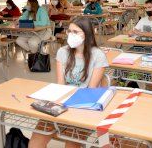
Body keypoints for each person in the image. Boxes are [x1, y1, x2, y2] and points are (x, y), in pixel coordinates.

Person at [28, 17, 109, 148]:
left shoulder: (98, 55)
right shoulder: (63, 52)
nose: (71, 35)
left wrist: (70, 105)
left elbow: (91, 90)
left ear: (87, 34)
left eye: (75, 32)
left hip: (83, 106)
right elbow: (60, 85)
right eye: (69, 31)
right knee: (36, 140)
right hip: (62, 104)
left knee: (71, 142)